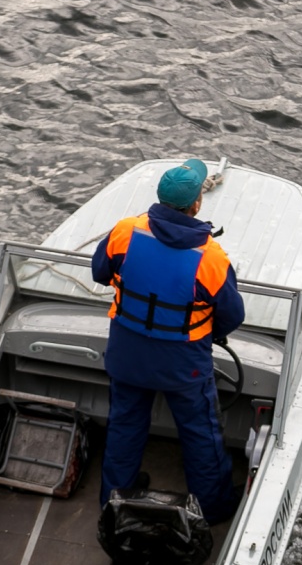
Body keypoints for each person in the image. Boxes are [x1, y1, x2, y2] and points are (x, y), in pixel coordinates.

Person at [92, 159, 245, 524]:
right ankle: (214, 508)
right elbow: (232, 315)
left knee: (125, 428)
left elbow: (100, 273)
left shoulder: (124, 232)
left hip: (128, 354)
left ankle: (111, 506)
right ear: (196, 205)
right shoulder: (211, 257)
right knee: (200, 436)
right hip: (183, 363)